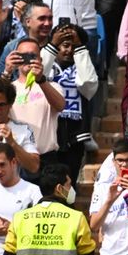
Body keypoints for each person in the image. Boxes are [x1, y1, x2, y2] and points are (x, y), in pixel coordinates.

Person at [2, 162, 97, 255]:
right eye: (69, 185)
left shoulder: (19, 218)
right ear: (59, 188)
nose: (71, 190)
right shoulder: (76, 218)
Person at [42, 23, 99, 184]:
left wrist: (80, 48)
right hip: (48, 132)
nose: (69, 50)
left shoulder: (83, 67)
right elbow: (37, 79)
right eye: (64, 45)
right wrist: (52, 46)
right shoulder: (47, 65)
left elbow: (88, 84)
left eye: (74, 46)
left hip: (74, 135)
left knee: (68, 183)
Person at [4, 37, 65, 166]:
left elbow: (60, 106)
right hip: (16, 158)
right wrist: (7, 71)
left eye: (32, 56)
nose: (28, 59)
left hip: (46, 159)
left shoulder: (52, 86)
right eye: (23, 55)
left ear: (40, 60)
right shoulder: (8, 88)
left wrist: (41, 80)